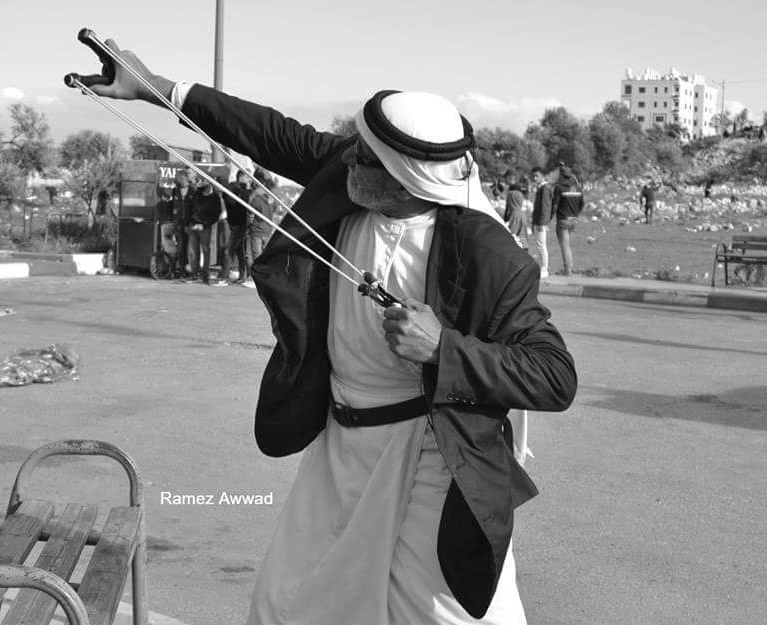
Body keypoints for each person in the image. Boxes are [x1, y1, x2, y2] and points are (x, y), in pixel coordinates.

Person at [82, 42, 577, 625]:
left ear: (403, 175)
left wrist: (443, 347)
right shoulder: (357, 178)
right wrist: (158, 88)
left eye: (363, 159)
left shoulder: (487, 250)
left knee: (436, 615)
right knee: (284, 605)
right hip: (339, 446)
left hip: (427, 454)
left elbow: (554, 375)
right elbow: (272, 133)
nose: (345, 163)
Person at [190, 174, 226, 285]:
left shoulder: (215, 198)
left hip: (205, 227)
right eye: (201, 180)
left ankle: (205, 276)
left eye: (204, 180)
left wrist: (204, 225)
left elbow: (215, 216)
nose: (201, 182)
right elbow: (192, 209)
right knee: (193, 251)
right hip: (193, 226)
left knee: (206, 251)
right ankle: (194, 274)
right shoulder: (197, 194)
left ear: (210, 182)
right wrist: (193, 223)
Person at [551, 163, 584, 276]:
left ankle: (567, 270)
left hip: (563, 220)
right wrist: (576, 214)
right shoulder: (577, 188)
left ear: (561, 175)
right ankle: (570, 267)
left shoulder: (559, 188)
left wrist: (550, 216)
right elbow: (582, 204)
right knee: (567, 244)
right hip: (574, 220)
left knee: (564, 245)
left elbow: (555, 205)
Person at [225, 169, 252, 282]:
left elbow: (247, 207)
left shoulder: (248, 191)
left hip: (242, 225)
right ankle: (242, 275)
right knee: (239, 251)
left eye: (248, 177)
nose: (247, 179)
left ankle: (226, 274)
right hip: (234, 223)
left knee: (231, 250)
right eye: (246, 177)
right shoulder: (234, 188)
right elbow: (231, 203)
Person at [246, 168, 277, 265]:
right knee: (267, 255)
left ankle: (257, 276)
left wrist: (249, 225)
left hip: (256, 229)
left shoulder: (255, 195)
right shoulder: (272, 195)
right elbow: (274, 210)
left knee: (257, 256)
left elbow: (250, 213)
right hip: (268, 229)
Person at [170, 169, 196, 278]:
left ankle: (193, 270)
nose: (184, 182)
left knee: (192, 248)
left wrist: (192, 221)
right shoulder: (175, 191)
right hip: (179, 224)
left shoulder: (193, 190)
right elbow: (173, 208)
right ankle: (182, 270)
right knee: (181, 248)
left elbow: (195, 208)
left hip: (190, 223)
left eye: (184, 179)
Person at [530, 167, 553, 278]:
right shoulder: (541, 188)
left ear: (543, 176)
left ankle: (544, 269)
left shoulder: (545, 188)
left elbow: (545, 207)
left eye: (537, 176)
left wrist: (542, 223)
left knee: (541, 245)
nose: (534, 178)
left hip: (541, 222)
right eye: (533, 176)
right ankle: (541, 267)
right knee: (539, 245)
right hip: (538, 221)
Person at [502, 171, 528, 247]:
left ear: (510, 178)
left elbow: (508, 207)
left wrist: (506, 219)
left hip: (514, 216)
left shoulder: (511, 192)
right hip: (522, 215)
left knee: (512, 239)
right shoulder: (519, 191)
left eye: (505, 178)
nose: (505, 180)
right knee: (523, 239)